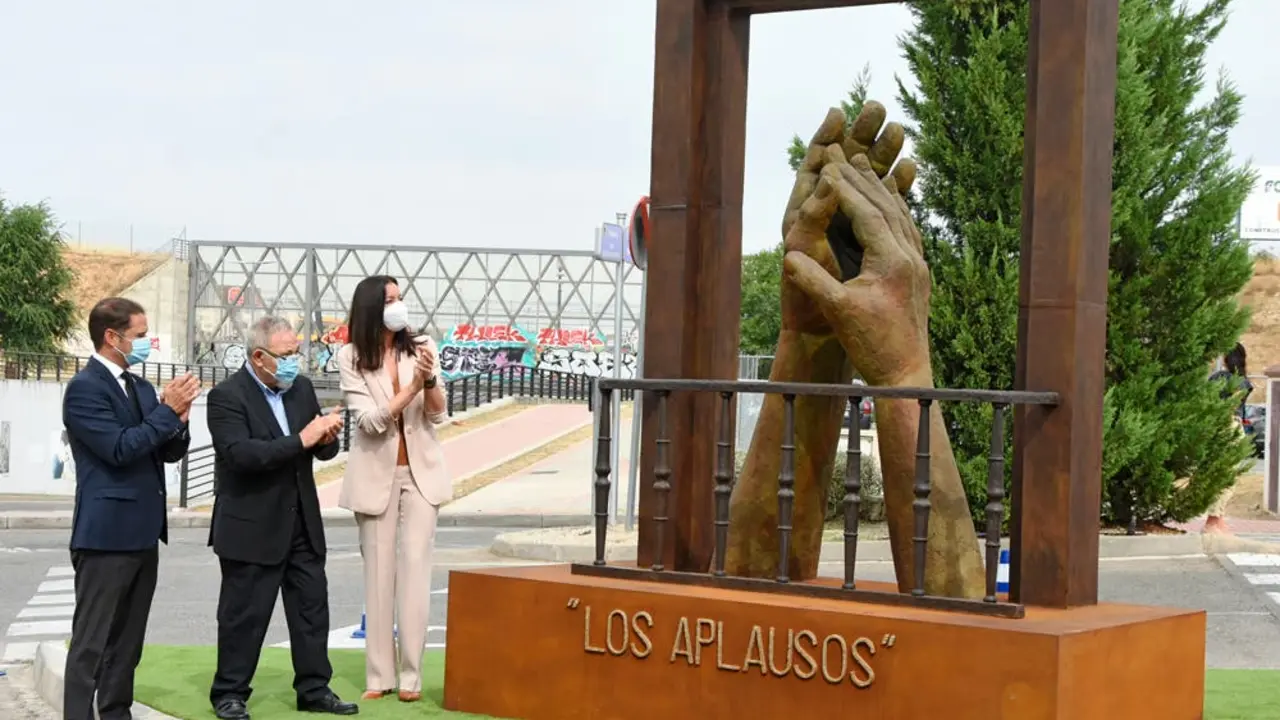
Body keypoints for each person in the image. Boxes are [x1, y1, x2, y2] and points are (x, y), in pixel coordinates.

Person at [205, 316, 354, 720]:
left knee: (311, 610)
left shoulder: (299, 388)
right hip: (251, 526)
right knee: (243, 616)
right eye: (286, 355)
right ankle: (230, 692)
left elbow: (317, 451)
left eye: (296, 353)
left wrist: (326, 438)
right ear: (258, 356)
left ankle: (314, 689)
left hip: (301, 521)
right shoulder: (226, 397)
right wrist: (302, 439)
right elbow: (243, 456)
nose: (294, 363)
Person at [61, 297, 199, 720]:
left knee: (128, 642)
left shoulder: (139, 387)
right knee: (91, 641)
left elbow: (165, 450)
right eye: (140, 335)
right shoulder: (85, 389)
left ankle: (117, 712)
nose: (146, 343)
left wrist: (181, 418)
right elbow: (120, 449)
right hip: (104, 535)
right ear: (111, 336)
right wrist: (165, 413)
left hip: (143, 532)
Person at [337, 275, 449, 702]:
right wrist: (411, 390)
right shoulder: (350, 356)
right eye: (389, 300)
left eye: (400, 299)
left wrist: (430, 380)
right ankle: (378, 675)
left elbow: (437, 415)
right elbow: (369, 420)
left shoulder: (422, 347)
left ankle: (411, 678)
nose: (398, 307)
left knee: (416, 571)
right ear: (370, 307)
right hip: (374, 475)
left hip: (422, 473)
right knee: (379, 575)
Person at [1205, 342, 1255, 532]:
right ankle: (1214, 520)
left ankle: (1217, 519)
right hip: (1231, 425)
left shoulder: (1215, 377)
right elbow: (1235, 405)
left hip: (1214, 426)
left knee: (1216, 474)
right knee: (1229, 476)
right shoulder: (1243, 382)